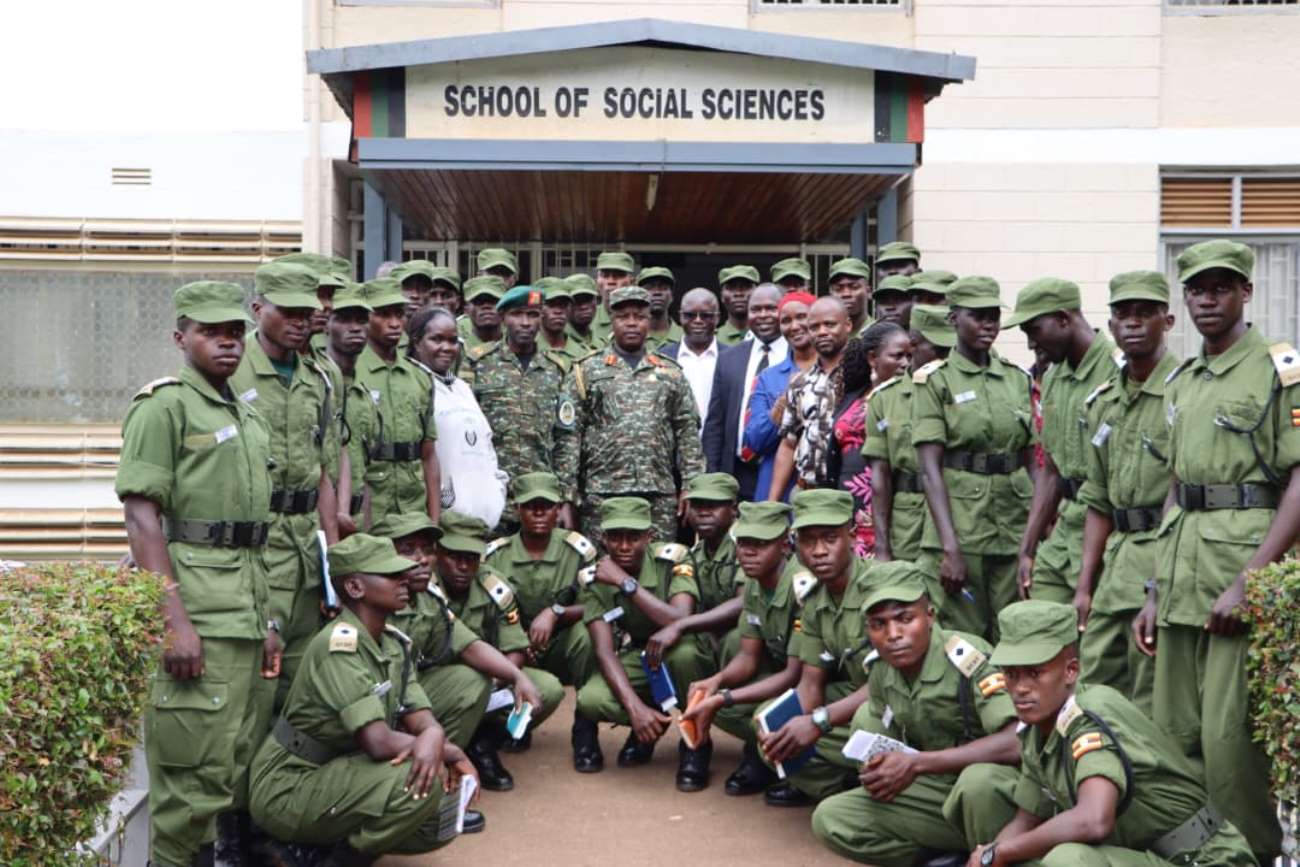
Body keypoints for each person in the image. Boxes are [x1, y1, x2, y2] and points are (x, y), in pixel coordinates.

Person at [1134, 239, 1300, 860]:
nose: (1208, 299)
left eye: (1221, 287)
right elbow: (1178, 487)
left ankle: (1246, 856)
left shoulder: (1280, 369)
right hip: (1179, 575)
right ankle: (1191, 852)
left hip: (1238, 571)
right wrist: (1154, 589)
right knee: (1174, 738)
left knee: (1230, 745)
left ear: (1246, 293)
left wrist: (1250, 582)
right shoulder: (1184, 379)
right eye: (1198, 289)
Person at [117, 281, 280, 867]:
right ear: (180, 337)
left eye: (235, 332)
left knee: (224, 770)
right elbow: (142, 518)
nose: (228, 344)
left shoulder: (243, 409)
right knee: (187, 788)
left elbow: (248, 533)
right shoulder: (163, 406)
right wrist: (173, 622)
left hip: (242, 613)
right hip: (199, 618)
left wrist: (266, 621)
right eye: (212, 332)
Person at [968, 600, 1256, 867]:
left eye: (1034, 673)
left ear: (1070, 671)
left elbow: (1094, 820)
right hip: (1144, 856)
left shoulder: (1089, 716)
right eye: (1011, 674)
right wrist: (989, 856)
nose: (1020, 688)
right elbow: (1026, 819)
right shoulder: (1038, 729)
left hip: (1205, 860)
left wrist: (1001, 852)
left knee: (1070, 860)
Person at [248, 534, 476, 865]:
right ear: (355, 587)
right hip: (289, 784)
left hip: (336, 771)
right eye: (391, 575)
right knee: (415, 779)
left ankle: (316, 847)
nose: (404, 581)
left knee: (439, 820)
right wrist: (447, 749)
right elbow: (379, 742)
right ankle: (335, 859)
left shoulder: (394, 644)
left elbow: (422, 718)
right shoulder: (339, 647)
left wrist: (435, 736)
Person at [811, 572, 1021, 865]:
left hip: (991, 797)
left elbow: (1016, 742)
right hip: (936, 789)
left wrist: (918, 763)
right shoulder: (882, 670)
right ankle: (938, 856)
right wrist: (882, 771)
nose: (893, 634)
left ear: (930, 616)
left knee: (978, 781)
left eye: (905, 619)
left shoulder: (968, 660)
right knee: (831, 818)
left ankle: (996, 853)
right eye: (878, 624)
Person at [230, 261, 340, 701]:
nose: (300, 322)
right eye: (288, 312)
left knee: (302, 678)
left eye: (305, 313)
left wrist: (333, 561)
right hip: (260, 543)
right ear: (258, 308)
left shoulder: (319, 378)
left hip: (306, 547)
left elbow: (325, 472)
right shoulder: (232, 373)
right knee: (257, 682)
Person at [1074, 272, 1178, 715]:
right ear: (1111, 325)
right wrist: (1084, 586)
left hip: (1163, 557)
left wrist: (1157, 585)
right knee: (1093, 687)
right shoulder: (1102, 402)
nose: (1132, 323)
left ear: (1167, 321)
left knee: (1149, 696)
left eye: (1145, 313)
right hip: (1117, 566)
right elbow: (1098, 499)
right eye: (1122, 314)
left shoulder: (1185, 391)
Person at [912, 276, 1034, 641]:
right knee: (964, 640)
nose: (988, 325)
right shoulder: (935, 382)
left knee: (1014, 632)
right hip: (962, 529)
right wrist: (949, 546)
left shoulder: (1016, 379)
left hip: (1012, 525)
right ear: (953, 320)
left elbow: (1033, 458)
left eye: (993, 316)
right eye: (977, 316)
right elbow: (929, 469)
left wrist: (1035, 537)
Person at [573, 497, 716, 790]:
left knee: (686, 656)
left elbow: (679, 617)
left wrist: (626, 583)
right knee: (591, 699)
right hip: (641, 653)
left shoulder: (674, 558)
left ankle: (696, 744)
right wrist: (634, 707)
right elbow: (603, 650)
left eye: (633, 537)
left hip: (682, 645)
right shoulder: (594, 579)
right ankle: (647, 725)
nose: (624, 546)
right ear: (604, 539)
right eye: (615, 537)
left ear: (649, 537)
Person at [756, 489, 884, 806]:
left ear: (852, 536)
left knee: (865, 720)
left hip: (899, 705)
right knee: (770, 724)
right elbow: (810, 683)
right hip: (854, 697)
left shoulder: (882, 588)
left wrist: (817, 722)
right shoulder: (813, 600)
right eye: (808, 541)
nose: (819, 551)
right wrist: (785, 728)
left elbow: (887, 684)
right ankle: (841, 791)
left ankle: (890, 796)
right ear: (796, 546)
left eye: (830, 538)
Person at [555, 285, 705, 545]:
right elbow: (569, 436)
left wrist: (691, 486)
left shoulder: (671, 372)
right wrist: (567, 497)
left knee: (658, 564)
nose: (632, 323)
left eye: (639, 317)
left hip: (657, 493)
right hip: (602, 492)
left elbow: (687, 432)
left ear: (649, 320)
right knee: (602, 569)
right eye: (623, 317)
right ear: (611, 320)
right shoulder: (586, 370)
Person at [1007, 278, 1119, 608]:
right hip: (1065, 528)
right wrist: (1028, 549)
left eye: (1034, 330)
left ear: (1063, 319)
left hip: (1104, 530)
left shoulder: (1117, 371)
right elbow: (1051, 470)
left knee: (1090, 643)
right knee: (1039, 624)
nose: (1030, 344)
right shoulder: (1054, 376)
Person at [679, 501, 802, 798]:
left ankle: (797, 771)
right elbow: (748, 657)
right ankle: (762, 750)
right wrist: (716, 683)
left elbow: (793, 676)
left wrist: (725, 697)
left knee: (745, 709)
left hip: (818, 684)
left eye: (760, 544)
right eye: (744, 543)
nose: (748, 552)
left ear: (784, 545)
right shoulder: (756, 583)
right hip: (782, 672)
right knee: (714, 701)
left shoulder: (802, 588)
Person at [483, 472, 602, 771]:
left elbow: (599, 604)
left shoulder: (578, 551)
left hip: (560, 645)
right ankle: (517, 724)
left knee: (590, 634)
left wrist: (556, 612)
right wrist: (519, 644)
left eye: (546, 505)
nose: (538, 512)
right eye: (530, 505)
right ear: (517, 509)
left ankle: (585, 730)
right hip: (514, 652)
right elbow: (486, 617)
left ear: (558, 509)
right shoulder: (496, 556)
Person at [434, 510, 557, 792]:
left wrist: (499, 681)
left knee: (547, 690)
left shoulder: (494, 586)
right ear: (437, 553)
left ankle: (482, 744)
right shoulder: (422, 588)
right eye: (455, 556)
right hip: (434, 688)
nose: (463, 566)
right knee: (469, 684)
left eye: (471, 558)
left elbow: (516, 647)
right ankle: (446, 756)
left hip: (486, 679)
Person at [461, 284, 568, 534]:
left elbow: (566, 438)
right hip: (489, 490)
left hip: (540, 496)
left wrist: (564, 496)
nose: (525, 323)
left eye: (532, 315)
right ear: (503, 318)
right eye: (517, 314)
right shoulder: (477, 363)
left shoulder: (558, 369)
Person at [867, 304, 955, 563]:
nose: (944, 359)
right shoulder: (885, 399)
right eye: (937, 350)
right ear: (914, 346)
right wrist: (882, 547)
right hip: (909, 518)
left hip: (959, 511)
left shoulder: (962, 391)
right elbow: (879, 478)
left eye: (950, 350)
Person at [406, 306, 507, 530]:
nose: (447, 347)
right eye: (436, 339)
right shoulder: (411, 385)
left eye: (452, 340)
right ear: (416, 342)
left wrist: (497, 492)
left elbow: (486, 447)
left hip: (482, 525)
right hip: (442, 523)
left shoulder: (461, 387)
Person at [354, 278, 441, 526]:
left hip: (412, 507)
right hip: (370, 507)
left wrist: (434, 521)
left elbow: (428, 454)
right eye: (383, 315)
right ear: (366, 318)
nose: (394, 323)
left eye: (399, 314)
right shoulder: (351, 372)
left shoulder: (419, 376)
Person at [644, 473, 744, 670]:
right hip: (713, 634)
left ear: (733, 509)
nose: (704, 513)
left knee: (735, 639)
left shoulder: (745, 543)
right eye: (697, 506)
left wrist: (681, 625)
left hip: (752, 636)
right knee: (683, 651)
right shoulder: (696, 553)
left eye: (713, 506)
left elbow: (744, 602)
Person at [832, 324, 913, 557]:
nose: (905, 363)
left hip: (883, 504)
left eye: (909, 356)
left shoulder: (910, 397)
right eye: (897, 356)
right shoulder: (853, 394)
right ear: (872, 358)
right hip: (847, 503)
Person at [702, 283, 788, 500]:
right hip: (737, 473)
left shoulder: (798, 356)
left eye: (771, 308)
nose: (763, 315)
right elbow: (715, 423)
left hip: (781, 469)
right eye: (756, 310)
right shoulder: (729, 358)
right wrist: (712, 477)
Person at [769, 296, 853, 498]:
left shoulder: (864, 375)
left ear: (847, 325)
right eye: (814, 327)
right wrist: (772, 502)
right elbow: (789, 444)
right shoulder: (800, 383)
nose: (822, 331)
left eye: (830, 324)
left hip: (851, 494)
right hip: (807, 493)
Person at [746, 292, 817, 503]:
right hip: (776, 487)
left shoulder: (837, 370)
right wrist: (785, 400)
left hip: (823, 483)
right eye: (786, 321)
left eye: (801, 317)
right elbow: (755, 440)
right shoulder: (769, 377)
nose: (794, 326)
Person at [327, 284, 376, 530]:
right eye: (344, 319)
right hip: (321, 518)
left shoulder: (363, 390)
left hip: (356, 520)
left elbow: (367, 468)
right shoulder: (319, 382)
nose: (355, 328)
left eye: (361, 320)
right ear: (327, 323)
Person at [660, 286, 721, 428]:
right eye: (690, 315)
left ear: (717, 317)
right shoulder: (663, 358)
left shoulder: (731, 358)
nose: (698, 321)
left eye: (706, 315)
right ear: (680, 317)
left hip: (719, 445)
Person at [590, 250, 637, 345]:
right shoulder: (587, 320)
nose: (611, 281)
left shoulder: (642, 320)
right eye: (605, 275)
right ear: (596, 282)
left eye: (618, 275)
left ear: (632, 282)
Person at [537, 276, 585, 364]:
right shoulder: (527, 350)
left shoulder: (583, 355)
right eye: (551, 304)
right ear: (537, 308)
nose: (558, 311)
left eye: (563, 305)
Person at [637, 266, 684, 351]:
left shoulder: (685, 338)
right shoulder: (630, 336)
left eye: (663, 288)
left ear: (672, 296)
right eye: (649, 288)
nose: (657, 292)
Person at [457, 275, 506, 352]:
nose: (486, 306)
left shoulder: (518, 346)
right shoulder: (457, 351)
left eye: (493, 300)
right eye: (478, 301)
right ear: (466, 309)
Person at [828, 257, 874, 336]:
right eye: (838, 289)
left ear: (868, 292)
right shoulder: (825, 336)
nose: (846, 294)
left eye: (854, 287)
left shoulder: (881, 334)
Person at [717, 265, 760, 347]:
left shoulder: (768, 337)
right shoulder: (712, 339)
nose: (738, 293)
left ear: (757, 293)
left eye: (746, 287)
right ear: (722, 296)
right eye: (731, 287)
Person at [564, 273, 601, 351]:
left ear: (596, 300)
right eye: (577, 300)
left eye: (588, 299)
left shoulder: (601, 344)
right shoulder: (559, 343)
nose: (584, 306)